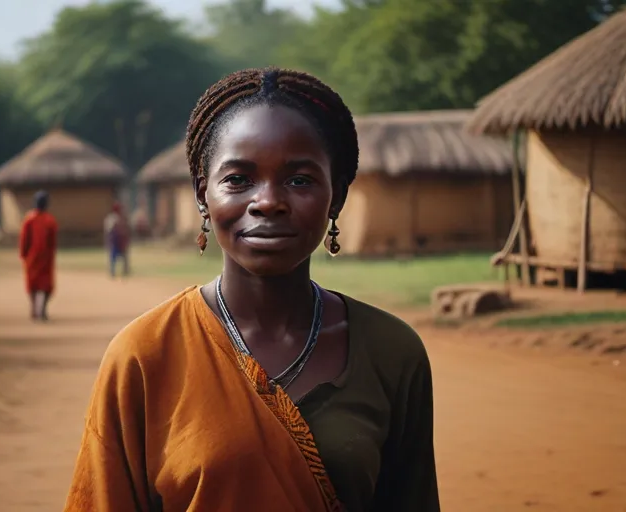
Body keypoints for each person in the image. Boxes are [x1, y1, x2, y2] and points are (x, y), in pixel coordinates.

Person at [64, 68, 440, 511]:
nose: (267, 201)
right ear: (204, 197)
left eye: (299, 179)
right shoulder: (143, 354)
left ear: (335, 197)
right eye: (238, 180)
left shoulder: (392, 353)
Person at [19, 190, 58, 321]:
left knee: (34, 285)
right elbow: (52, 243)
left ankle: (36, 308)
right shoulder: (48, 220)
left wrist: (24, 255)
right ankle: (40, 309)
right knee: (43, 285)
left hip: (34, 258)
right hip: (42, 258)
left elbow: (24, 240)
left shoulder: (30, 219)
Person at [103, 202, 130, 278]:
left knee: (123, 256)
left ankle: (125, 271)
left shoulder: (121, 217)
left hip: (120, 240)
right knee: (113, 257)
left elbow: (125, 230)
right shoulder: (112, 218)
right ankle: (113, 272)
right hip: (114, 241)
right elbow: (110, 231)